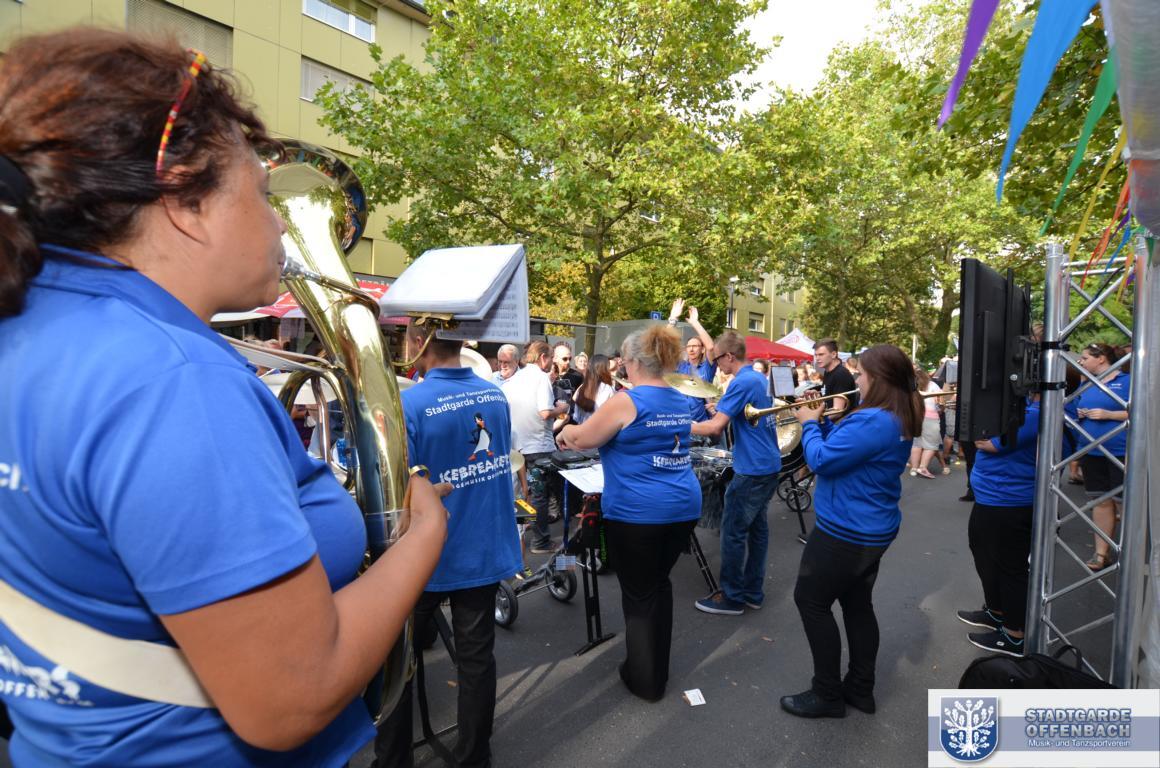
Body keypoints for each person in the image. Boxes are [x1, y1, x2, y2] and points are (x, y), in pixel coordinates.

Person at [0, 29, 447, 766]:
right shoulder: (173, 378)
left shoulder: (35, 325)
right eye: (264, 195)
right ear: (186, 199)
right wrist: (423, 536)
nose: (278, 223)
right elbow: (292, 698)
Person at [374, 329, 521, 768]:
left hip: (424, 556)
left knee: (398, 664)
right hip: (482, 546)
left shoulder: (409, 403)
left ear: (419, 339)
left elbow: (398, 490)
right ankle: (474, 757)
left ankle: (392, 761)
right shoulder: (495, 395)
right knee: (476, 661)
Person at [556, 325, 700, 700]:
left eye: (623, 359)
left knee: (638, 595)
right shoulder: (679, 397)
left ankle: (645, 680)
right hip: (682, 506)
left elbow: (583, 438)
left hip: (639, 512)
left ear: (634, 361)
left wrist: (565, 432)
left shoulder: (628, 400)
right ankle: (656, 668)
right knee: (659, 585)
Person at [780, 344, 921, 718]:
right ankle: (860, 689)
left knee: (811, 601)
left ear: (877, 379)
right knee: (857, 606)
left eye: (861, 374)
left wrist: (809, 423)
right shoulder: (894, 414)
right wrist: (824, 422)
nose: (857, 379)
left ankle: (827, 693)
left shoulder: (873, 420)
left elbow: (822, 460)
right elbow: (849, 451)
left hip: (846, 531)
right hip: (870, 527)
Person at [691, 331, 781, 615]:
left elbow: (714, 428)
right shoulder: (758, 378)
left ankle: (731, 597)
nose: (716, 364)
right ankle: (753, 593)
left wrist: (677, 424)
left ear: (729, 356)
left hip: (752, 467)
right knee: (757, 530)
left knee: (732, 532)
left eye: (717, 358)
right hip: (768, 462)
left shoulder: (741, 381)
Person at [956, 395, 1041, 658]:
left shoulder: (1036, 413)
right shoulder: (1026, 408)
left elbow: (991, 443)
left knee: (1009, 566)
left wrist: (986, 436)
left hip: (1009, 501)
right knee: (985, 555)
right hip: (992, 498)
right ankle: (997, 612)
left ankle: (1015, 634)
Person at [500, 340, 568, 552]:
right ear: (543, 358)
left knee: (521, 493)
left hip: (515, 446)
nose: (552, 363)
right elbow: (545, 412)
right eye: (551, 358)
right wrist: (562, 408)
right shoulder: (540, 377)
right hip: (538, 445)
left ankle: (520, 536)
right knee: (539, 495)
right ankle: (541, 541)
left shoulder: (513, 379)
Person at [1074, 342, 1130, 571]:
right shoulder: (1087, 383)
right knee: (1100, 501)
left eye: (1085, 357)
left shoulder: (1127, 381)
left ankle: (1128, 554)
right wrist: (1079, 413)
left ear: (1101, 359)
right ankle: (1101, 553)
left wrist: (1110, 414)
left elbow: (1143, 411)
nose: (1081, 361)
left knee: (1124, 502)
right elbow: (1075, 408)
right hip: (1092, 450)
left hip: (1120, 451)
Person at [669, 298, 717, 421]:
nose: (691, 349)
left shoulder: (707, 368)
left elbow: (711, 347)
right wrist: (673, 319)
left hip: (700, 423)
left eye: (695, 346)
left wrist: (695, 322)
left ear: (702, 349)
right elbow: (664, 344)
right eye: (688, 346)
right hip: (679, 420)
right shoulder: (681, 366)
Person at [908, 367, 944, 479]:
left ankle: (914, 468)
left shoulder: (911, 387)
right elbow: (940, 402)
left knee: (917, 443)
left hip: (915, 417)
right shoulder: (933, 385)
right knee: (932, 444)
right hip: (930, 417)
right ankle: (923, 467)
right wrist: (942, 408)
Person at [813, 338, 859, 417]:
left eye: (821, 354)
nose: (817, 358)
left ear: (833, 354)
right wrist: (817, 394)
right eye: (816, 355)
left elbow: (837, 412)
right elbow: (829, 396)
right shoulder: (828, 371)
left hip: (840, 422)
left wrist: (812, 419)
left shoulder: (840, 374)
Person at [571, 353, 616, 424]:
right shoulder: (608, 389)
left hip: (581, 428)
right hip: (600, 428)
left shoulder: (582, 387)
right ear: (605, 369)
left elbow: (576, 416)